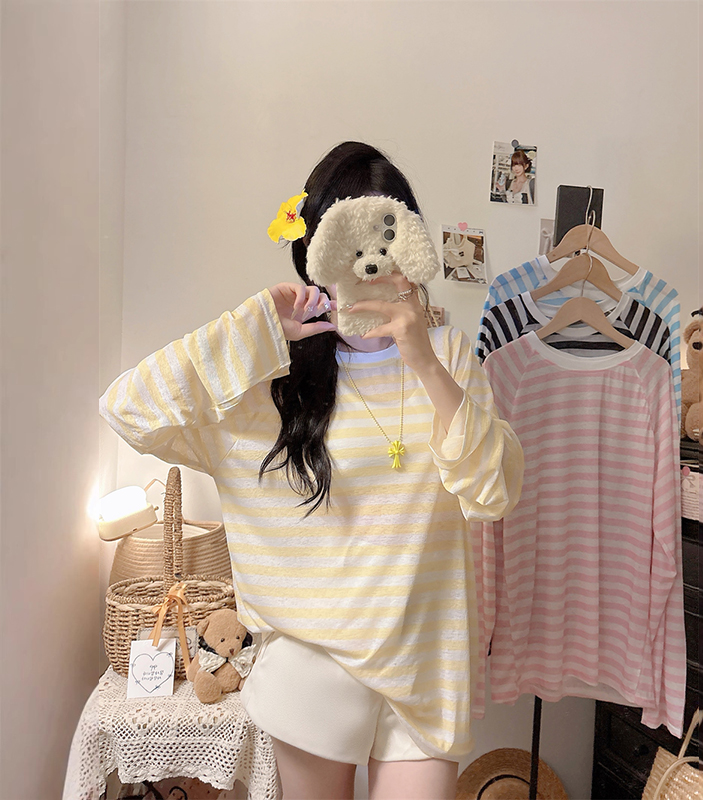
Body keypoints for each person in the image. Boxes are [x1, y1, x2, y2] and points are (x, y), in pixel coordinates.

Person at [100, 141, 523, 800]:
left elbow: (493, 493)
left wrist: (423, 361)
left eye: (389, 236)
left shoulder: (447, 354)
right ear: (316, 249)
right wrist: (253, 328)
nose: (371, 262)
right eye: (348, 243)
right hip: (312, 667)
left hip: (427, 665)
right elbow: (127, 409)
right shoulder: (264, 374)